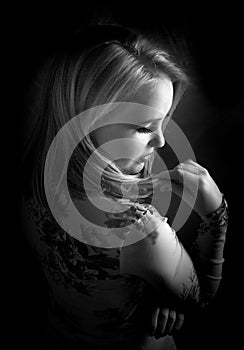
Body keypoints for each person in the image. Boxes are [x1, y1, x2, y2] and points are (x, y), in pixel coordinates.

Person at [19, 23, 228, 350]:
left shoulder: (29, 173)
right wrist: (216, 214)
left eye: (163, 124)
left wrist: (155, 292)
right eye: (145, 128)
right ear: (88, 123)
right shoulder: (140, 231)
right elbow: (199, 300)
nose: (160, 141)